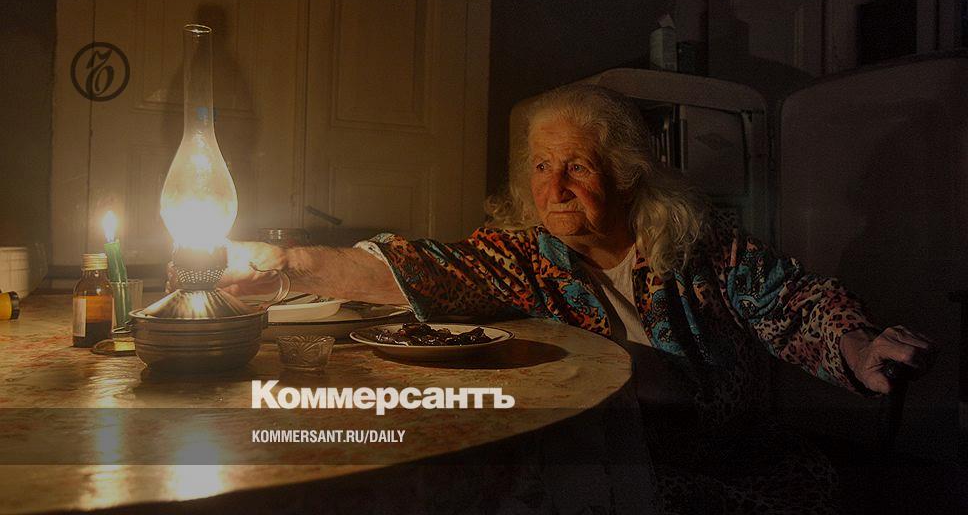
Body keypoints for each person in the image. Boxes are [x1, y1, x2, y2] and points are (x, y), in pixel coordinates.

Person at [220, 84, 936, 514]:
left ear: (624, 174)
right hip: (608, 457)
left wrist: (858, 347)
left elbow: (795, 302)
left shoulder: (702, 246)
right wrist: (286, 265)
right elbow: (423, 268)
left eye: (576, 166)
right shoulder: (525, 256)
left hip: (725, 466)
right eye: (540, 166)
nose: (553, 188)